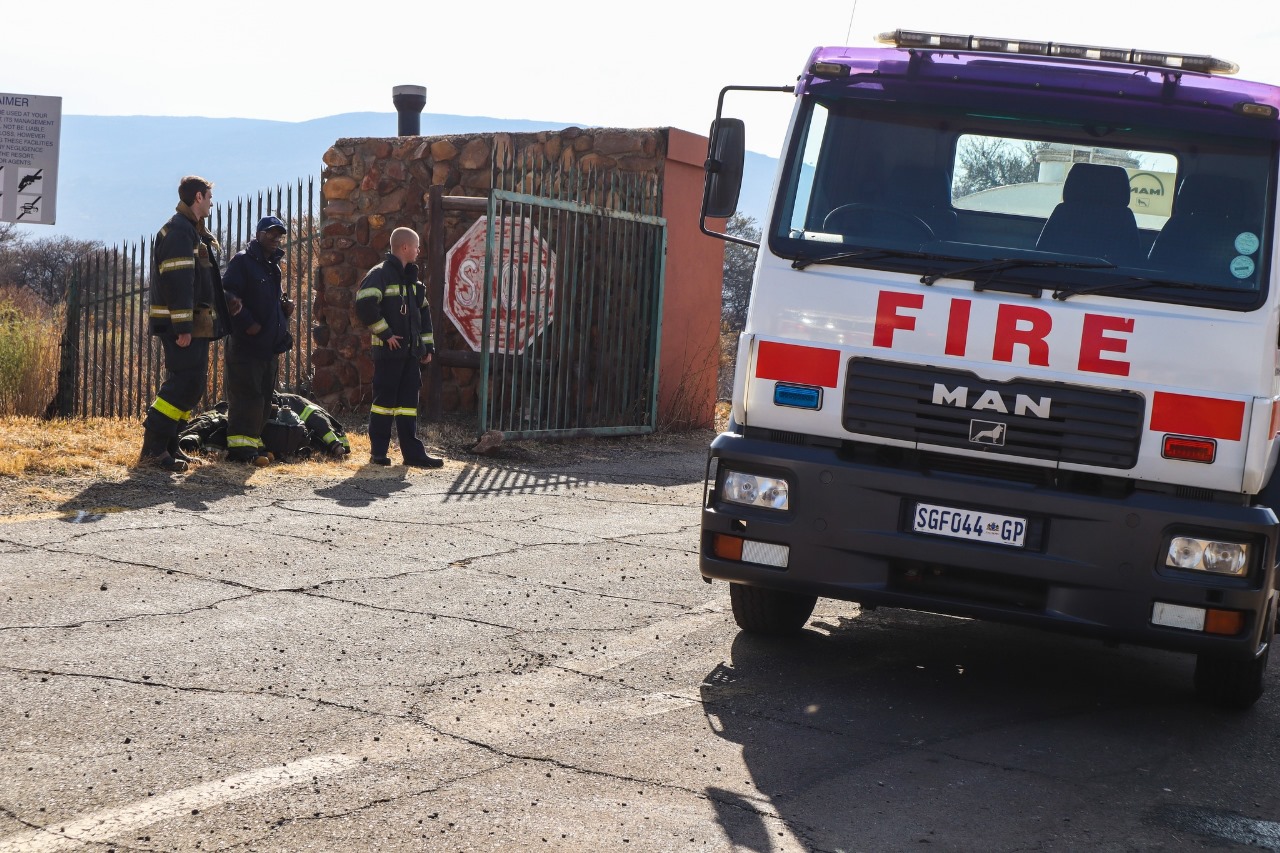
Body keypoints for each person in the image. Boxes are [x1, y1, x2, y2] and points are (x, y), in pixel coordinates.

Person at [141, 175, 230, 472]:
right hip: (182, 325)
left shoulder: (191, 230)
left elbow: (199, 281)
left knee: (192, 386)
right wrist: (182, 328)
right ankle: (154, 449)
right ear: (197, 197)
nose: (212, 202)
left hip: (194, 324)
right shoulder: (179, 232)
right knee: (183, 383)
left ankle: (170, 444)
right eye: (209, 197)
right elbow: (179, 283)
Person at [354, 226, 443, 468]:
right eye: (416, 246)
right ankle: (378, 454)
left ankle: (413, 455)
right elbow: (364, 304)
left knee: (408, 406)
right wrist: (387, 334)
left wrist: (426, 348)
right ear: (405, 247)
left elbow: (423, 315)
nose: (418, 250)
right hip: (389, 353)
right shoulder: (380, 274)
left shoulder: (412, 279)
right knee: (384, 404)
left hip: (411, 354)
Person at [222, 216, 294, 465]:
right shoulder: (243, 261)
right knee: (247, 395)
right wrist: (247, 322)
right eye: (270, 233)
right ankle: (241, 450)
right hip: (246, 345)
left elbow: (267, 301)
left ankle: (253, 444)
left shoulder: (272, 266)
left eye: (279, 234)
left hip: (268, 346)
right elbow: (227, 294)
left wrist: (284, 311)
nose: (276, 238)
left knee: (263, 395)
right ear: (259, 235)